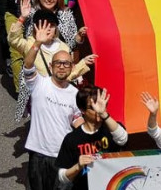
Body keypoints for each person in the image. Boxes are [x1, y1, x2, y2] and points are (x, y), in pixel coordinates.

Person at [23, 20, 82, 190]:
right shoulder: (39, 84)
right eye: (58, 63)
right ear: (51, 66)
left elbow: (78, 123)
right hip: (38, 155)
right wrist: (38, 43)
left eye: (66, 64)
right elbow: (27, 65)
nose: (62, 67)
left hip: (63, 157)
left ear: (71, 67)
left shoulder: (75, 94)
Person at [55, 87, 128, 188]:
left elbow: (123, 139)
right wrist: (78, 166)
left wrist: (104, 114)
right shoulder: (72, 138)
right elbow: (62, 177)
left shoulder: (112, 128)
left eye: (102, 105)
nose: (98, 110)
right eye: (93, 107)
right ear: (82, 110)